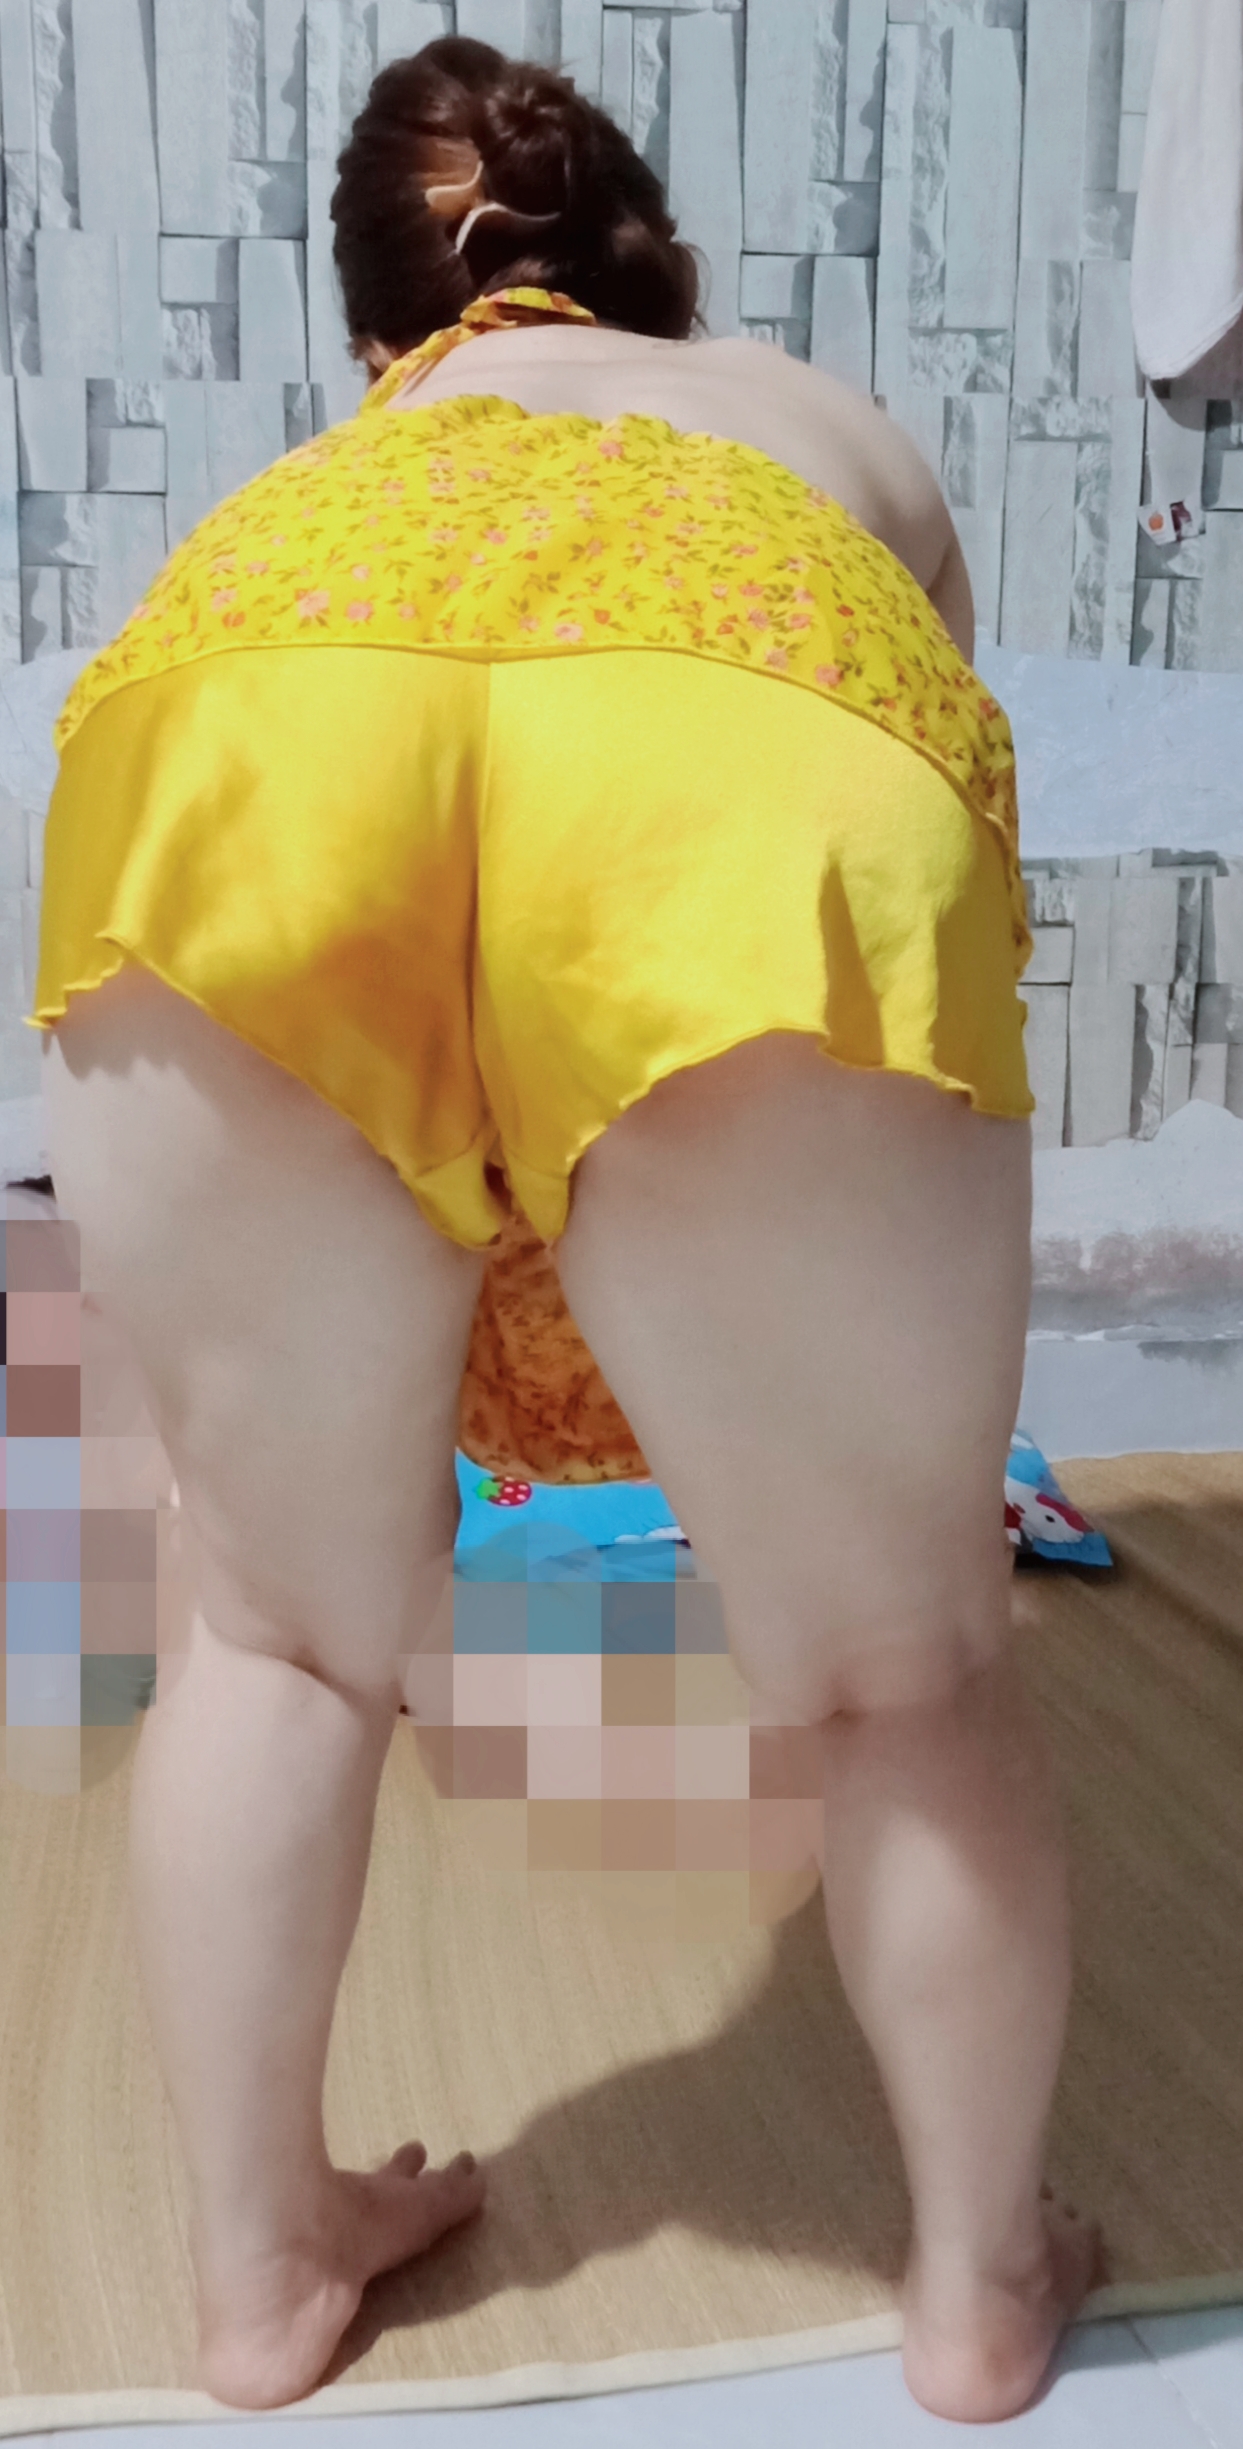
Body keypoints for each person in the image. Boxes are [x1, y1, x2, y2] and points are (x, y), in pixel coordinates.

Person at [36, 33, 1104, 2425]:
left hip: (246, 723)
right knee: (898, 1664)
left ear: (383, 330)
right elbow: (936, 805)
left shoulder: (327, 477)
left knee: (275, 1627)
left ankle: (260, 2272)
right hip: (742, 714)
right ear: (649, 269)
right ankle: (973, 2286)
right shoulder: (809, 420)